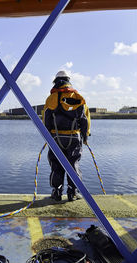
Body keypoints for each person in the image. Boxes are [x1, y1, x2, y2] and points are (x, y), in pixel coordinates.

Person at [42, 71, 91, 201]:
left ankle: (57, 192)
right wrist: (85, 136)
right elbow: (85, 119)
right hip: (74, 137)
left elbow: (46, 119)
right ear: (68, 81)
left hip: (55, 138)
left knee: (56, 164)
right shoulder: (78, 97)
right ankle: (73, 193)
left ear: (56, 81)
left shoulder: (51, 99)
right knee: (73, 164)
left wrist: (47, 136)